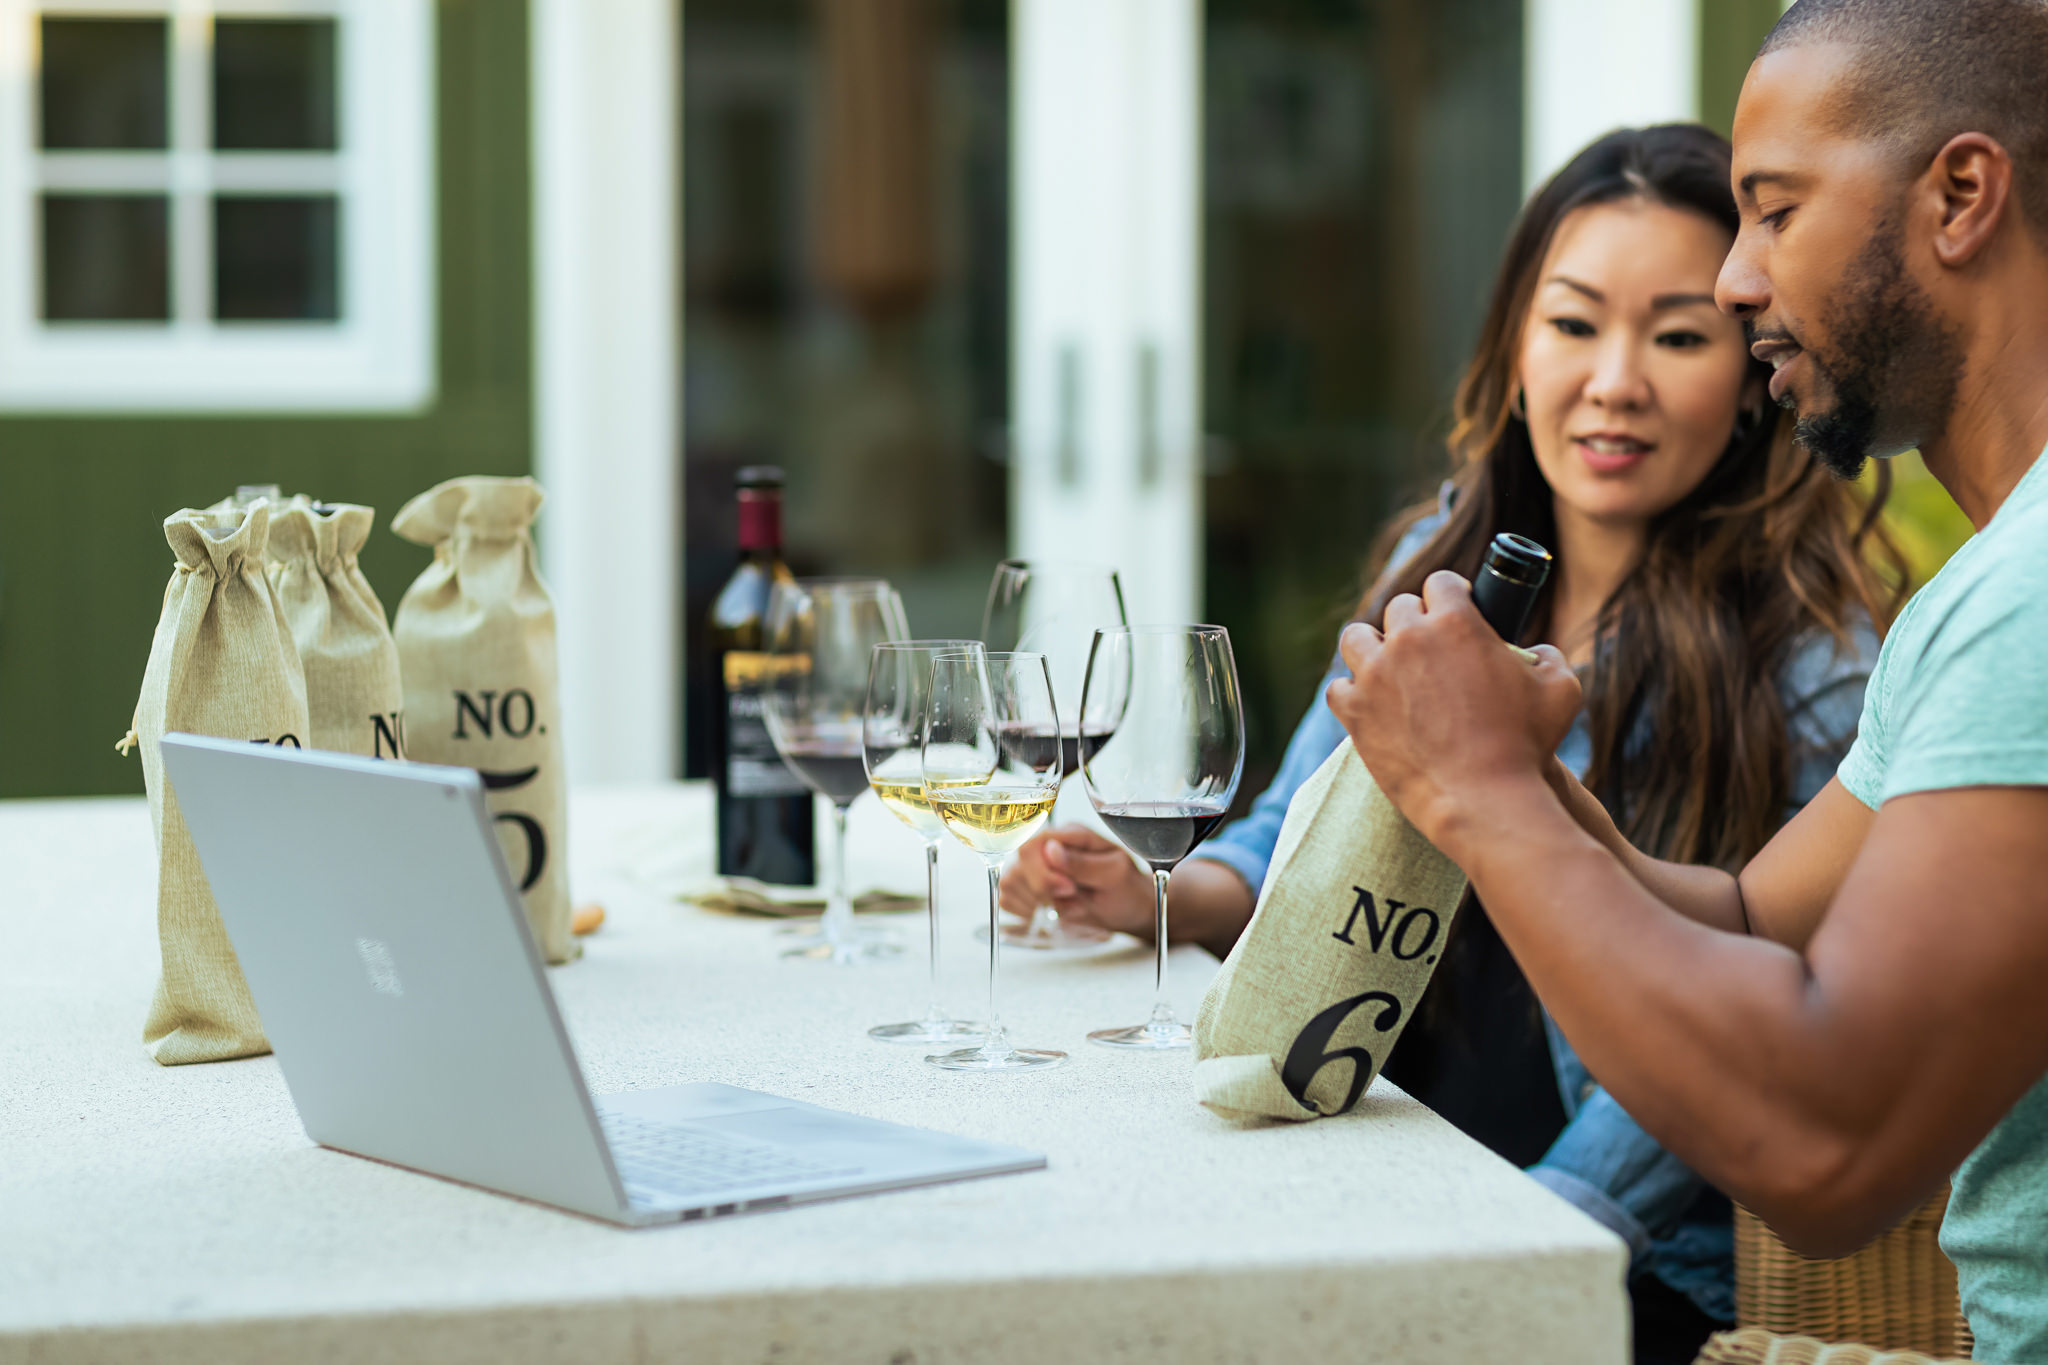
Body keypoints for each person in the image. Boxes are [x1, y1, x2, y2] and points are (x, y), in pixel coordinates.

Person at [1003, 125, 1902, 1363]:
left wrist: (1520, 1239)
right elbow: (1295, 831)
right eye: (1573, 324)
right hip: (1367, 1152)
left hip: (1626, 1266)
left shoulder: (1810, 661)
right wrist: (1158, 891)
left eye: (1678, 336)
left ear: (1752, 374)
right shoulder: (1434, 565)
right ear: (1514, 351)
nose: (1613, 381)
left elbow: (1735, 1027)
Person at [1326, 2, 2048, 1359]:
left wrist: (1485, 795)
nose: (1734, 280)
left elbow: (1833, 1147)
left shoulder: (2033, 603)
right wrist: (1522, 773)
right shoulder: (1982, 592)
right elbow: (1750, 917)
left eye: (1774, 211)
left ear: (1961, 196)